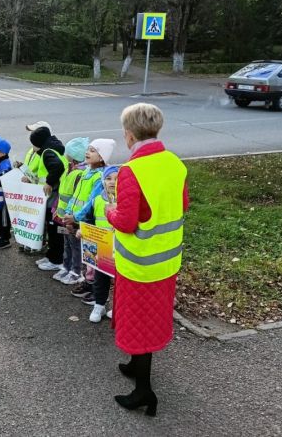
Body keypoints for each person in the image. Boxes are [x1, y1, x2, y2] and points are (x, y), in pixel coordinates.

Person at [105, 103, 189, 416]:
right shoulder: (175, 164)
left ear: (129, 136)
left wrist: (108, 210)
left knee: (138, 323)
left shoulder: (132, 171)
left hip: (139, 265)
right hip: (167, 262)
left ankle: (144, 391)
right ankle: (135, 365)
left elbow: (126, 222)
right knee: (149, 321)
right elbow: (183, 204)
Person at [65, 138, 116, 301]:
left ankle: (98, 290)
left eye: (93, 150)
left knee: (96, 257)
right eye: (88, 149)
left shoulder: (101, 176)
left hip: (91, 221)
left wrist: (76, 217)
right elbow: (77, 195)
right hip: (80, 219)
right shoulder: (86, 171)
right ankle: (89, 282)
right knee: (89, 256)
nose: (87, 152)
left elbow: (90, 202)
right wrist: (69, 212)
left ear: (102, 157)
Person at [75, 165, 119, 322]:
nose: (112, 182)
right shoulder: (97, 200)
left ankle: (117, 308)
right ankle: (99, 305)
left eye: (116, 178)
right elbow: (88, 220)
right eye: (108, 178)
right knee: (101, 278)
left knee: (120, 280)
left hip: (120, 248)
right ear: (103, 181)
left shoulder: (125, 201)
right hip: (101, 247)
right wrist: (82, 231)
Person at [25, 126, 67, 272]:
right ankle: (51, 255)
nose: (33, 148)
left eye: (34, 144)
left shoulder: (47, 153)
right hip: (53, 196)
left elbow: (58, 167)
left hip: (54, 196)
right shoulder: (51, 150)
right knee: (52, 228)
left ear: (39, 143)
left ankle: (57, 260)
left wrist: (49, 182)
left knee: (54, 229)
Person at [50, 137, 89, 285]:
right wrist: (56, 209)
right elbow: (62, 193)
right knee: (67, 242)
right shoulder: (69, 169)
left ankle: (76, 271)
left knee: (75, 244)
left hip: (72, 218)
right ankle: (66, 266)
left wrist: (71, 218)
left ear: (74, 156)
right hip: (62, 215)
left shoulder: (79, 173)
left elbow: (75, 197)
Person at [14, 121, 52, 253]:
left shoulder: (45, 152)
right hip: (31, 191)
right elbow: (31, 168)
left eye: (34, 132)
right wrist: (22, 166)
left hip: (41, 192)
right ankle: (31, 243)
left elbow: (42, 174)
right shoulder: (33, 149)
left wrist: (30, 178)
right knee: (32, 218)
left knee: (40, 221)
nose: (31, 135)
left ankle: (39, 245)